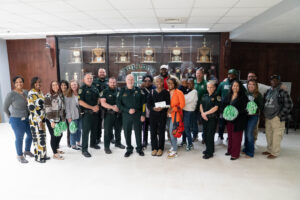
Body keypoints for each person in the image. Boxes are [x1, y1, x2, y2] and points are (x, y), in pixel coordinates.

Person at [4, 76, 33, 163]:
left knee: (31, 135)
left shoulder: (26, 92)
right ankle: (19, 155)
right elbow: (5, 108)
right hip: (16, 120)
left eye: (20, 82)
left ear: (23, 83)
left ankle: (27, 151)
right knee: (19, 138)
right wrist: (11, 117)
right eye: (17, 82)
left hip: (27, 118)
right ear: (14, 83)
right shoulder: (11, 94)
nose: (19, 83)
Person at [263, 75, 293, 159]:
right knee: (269, 135)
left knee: (277, 136)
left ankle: (275, 153)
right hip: (268, 117)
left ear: (279, 81)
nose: (273, 81)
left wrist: (279, 115)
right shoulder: (269, 91)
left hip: (277, 118)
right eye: (272, 80)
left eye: (276, 80)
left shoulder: (282, 91)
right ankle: (269, 149)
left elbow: (289, 105)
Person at [117, 74, 146, 157]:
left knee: (138, 132)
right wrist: (127, 110)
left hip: (137, 115)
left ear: (134, 81)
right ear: (126, 81)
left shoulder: (139, 90)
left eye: (132, 79)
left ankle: (139, 148)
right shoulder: (122, 91)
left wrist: (143, 114)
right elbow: (118, 104)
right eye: (129, 79)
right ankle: (129, 149)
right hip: (126, 115)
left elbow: (143, 104)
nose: (130, 81)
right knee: (127, 132)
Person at [223, 80, 248, 160]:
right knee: (230, 136)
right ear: (231, 87)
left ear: (240, 87)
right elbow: (223, 105)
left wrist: (236, 112)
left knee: (236, 137)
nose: (235, 87)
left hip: (239, 120)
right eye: (234, 86)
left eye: (237, 86)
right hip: (229, 120)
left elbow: (246, 109)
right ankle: (230, 150)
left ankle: (235, 154)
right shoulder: (228, 95)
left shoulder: (243, 97)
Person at [100, 77, 125, 154]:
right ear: (108, 83)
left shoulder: (120, 90)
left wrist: (119, 107)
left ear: (116, 83)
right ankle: (106, 147)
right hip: (109, 114)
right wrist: (112, 107)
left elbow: (123, 100)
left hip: (118, 114)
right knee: (107, 131)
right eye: (111, 82)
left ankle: (118, 143)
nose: (113, 84)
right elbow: (102, 103)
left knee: (118, 130)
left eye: (114, 82)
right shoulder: (105, 91)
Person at [147, 76, 170, 156]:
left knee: (161, 132)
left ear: (163, 82)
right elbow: (148, 104)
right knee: (153, 132)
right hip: (153, 115)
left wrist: (162, 108)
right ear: (155, 83)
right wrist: (153, 108)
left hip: (162, 115)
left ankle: (160, 148)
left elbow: (168, 104)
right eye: (157, 81)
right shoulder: (152, 92)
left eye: (160, 81)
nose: (159, 83)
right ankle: (154, 148)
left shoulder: (166, 92)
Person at [27, 77, 49, 163]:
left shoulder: (40, 92)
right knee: (38, 138)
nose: (38, 84)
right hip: (36, 120)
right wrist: (39, 120)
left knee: (43, 137)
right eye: (36, 83)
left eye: (39, 82)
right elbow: (31, 108)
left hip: (42, 119)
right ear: (33, 84)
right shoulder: (31, 93)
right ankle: (39, 157)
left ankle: (43, 155)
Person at [79, 73, 100, 158]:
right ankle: (84, 149)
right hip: (87, 113)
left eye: (91, 78)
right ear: (84, 79)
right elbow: (80, 102)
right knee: (86, 132)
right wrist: (92, 107)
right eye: (88, 78)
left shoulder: (95, 88)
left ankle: (93, 144)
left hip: (95, 112)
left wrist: (97, 106)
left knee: (94, 129)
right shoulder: (82, 88)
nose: (89, 79)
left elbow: (98, 98)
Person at [216, 68, 239, 145]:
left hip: (233, 108)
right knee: (221, 124)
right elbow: (217, 94)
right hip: (223, 108)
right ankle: (220, 137)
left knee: (231, 124)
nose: (231, 76)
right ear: (228, 75)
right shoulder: (223, 83)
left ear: (236, 75)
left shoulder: (238, 84)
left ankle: (229, 138)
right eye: (229, 74)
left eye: (233, 74)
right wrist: (220, 102)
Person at [45, 81, 66, 160]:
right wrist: (51, 121)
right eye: (53, 85)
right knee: (54, 135)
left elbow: (62, 108)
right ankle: (55, 153)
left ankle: (56, 149)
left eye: (56, 84)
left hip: (59, 118)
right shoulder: (48, 96)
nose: (55, 86)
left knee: (60, 134)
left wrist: (63, 119)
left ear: (59, 86)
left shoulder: (60, 95)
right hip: (51, 119)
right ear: (51, 86)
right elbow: (48, 110)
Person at [243, 80, 263, 158]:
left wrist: (254, 109)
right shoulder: (246, 93)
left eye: (253, 84)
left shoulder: (258, 95)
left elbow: (261, 107)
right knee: (246, 133)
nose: (251, 86)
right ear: (247, 85)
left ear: (256, 86)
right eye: (249, 84)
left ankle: (250, 152)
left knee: (249, 133)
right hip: (246, 116)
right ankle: (246, 149)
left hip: (253, 116)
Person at [200, 81, 220, 159]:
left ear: (214, 88)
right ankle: (209, 148)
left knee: (210, 135)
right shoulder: (204, 95)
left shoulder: (217, 96)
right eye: (208, 87)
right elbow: (201, 105)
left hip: (212, 118)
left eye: (211, 87)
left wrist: (205, 113)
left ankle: (210, 153)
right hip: (204, 118)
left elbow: (216, 108)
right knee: (205, 135)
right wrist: (202, 113)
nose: (209, 88)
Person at [167, 78, 185, 158]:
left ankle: (174, 151)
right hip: (168, 115)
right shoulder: (167, 92)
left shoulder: (179, 92)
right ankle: (173, 146)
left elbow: (182, 105)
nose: (170, 84)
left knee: (173, 132)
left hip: (175, 116)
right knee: (170, 132)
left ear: (175, 84)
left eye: (172, 83)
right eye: (169, 83)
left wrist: (172, 109)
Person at [65, 80, 82, 150]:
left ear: (77, 85)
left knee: (79, 130)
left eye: (75, 84)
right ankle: (73, 144)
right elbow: (67, 108)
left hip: (80, 115)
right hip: (72, 116)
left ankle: (78, 142)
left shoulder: (80, 93)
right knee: (73, 130)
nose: (74, 86)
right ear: (70, 86)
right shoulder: (68, 95)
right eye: (72, 85)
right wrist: (69, 117)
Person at [93, 68, 108, 144]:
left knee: (108, 123)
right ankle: (98, 138)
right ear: (98, 73)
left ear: (105, 73)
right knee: (98, 123)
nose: (102, 73)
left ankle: (110, 137)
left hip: (107, 105)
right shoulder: (94, 82)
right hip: (98, 105)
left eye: (103, 72)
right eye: (100, 72)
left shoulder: (108, 81)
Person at [182, 78, 198, 151]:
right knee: (184, 128)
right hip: (185, 111)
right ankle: (184, 141)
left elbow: (185, 100)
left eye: (190, 83)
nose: (189, 85)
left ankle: (190, 144)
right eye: (187, 83)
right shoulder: (188, 90)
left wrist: (181, 96)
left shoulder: (194, 92)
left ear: (193, 84)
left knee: (187, 128)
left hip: (189, 112)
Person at [140, 75, 155, 149]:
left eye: (149, 80)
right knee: (144, 127)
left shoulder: (154, 88)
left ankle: (153, 141)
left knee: (153, 127)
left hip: (152, 109)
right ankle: (144, 141)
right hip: (144, 110)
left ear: (151, 81)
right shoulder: (141, 89)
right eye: (145, 81)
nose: (147, 82)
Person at [194, 68, 207, 142]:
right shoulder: (193, 82)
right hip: (194, 106)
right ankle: (195, 136)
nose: (198, 75)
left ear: (202, 74)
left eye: (199, 73)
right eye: (197, 73)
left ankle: (204, 137)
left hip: (203, 107)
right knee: (194, 123)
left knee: (204, 123)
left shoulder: (206, 83)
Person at [60, 80, 71, 148]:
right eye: (62, 85)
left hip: (68, 114)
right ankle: (57, 142)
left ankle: (69, 142)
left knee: (69, 129)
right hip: (60, 114)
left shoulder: (69, 94)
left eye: (65, 85)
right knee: (59, 129)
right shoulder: (58, 94)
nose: (63, 86)